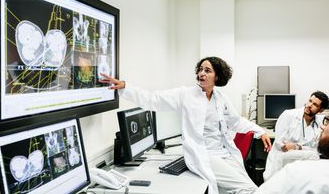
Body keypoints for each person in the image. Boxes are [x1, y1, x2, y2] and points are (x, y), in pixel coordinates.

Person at [100, 56, 272, 194]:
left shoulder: (220, 98)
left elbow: (236, 121)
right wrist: (126, 87)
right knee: (248, 190)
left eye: (207, 70)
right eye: (200, 69)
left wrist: (259, 131)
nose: (201, 73)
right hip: (205, 155)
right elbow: (153, 99)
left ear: (217, 76)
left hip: (224, 153)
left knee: (249, 187)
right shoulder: (186, 95)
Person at [263, 91, 329, 181]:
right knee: (313, 156)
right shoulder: (288, 115)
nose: (309, 105)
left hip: (303, 166)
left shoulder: (319, 123)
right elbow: (282, 146)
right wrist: (305, 148)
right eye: (310, 101)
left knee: (315, 156)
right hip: (282, 162)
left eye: (315, 104)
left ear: (321, 110)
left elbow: (317, 149)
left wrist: (296, 146)